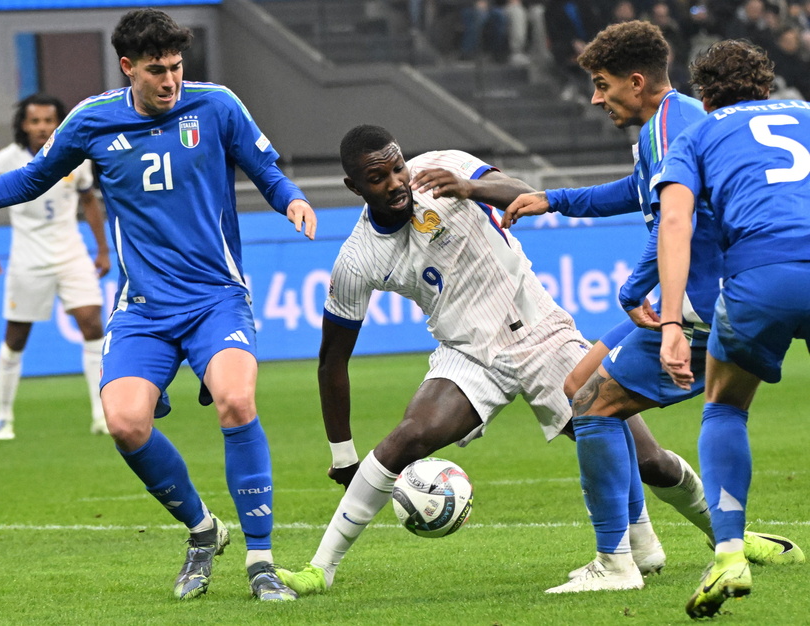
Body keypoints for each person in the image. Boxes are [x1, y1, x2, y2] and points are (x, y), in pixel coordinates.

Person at [0, 8, 317, 603]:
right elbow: (31, 180)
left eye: (178, 68)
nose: (171, 82)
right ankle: (204, 531)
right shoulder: (91, 120)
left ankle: (261, 561)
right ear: (128, 66)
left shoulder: (216, 105)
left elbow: (266, 169)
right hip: (144, 309)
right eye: (157, 70)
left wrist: (293, 199)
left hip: (215, 298)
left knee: (236, 399)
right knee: (125, 421)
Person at [273, 123, 669, 596]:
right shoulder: (357, 259)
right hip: (468, 354)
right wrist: (343, 456)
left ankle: (727, 537)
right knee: (409, 436)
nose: (396, 182)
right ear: (353, 187)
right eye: (378, 178)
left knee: (648, 459)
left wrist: (472, 187)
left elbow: (523, 196)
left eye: (397, 167)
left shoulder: (447, 169)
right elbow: (331, 360)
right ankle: (321, 569)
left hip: (541, 333)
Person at [500, 20, 804, 593]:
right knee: (578, 385)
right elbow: (639, 192)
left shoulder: (682, 125)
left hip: (705, 297)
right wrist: (555, 200)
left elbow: (679, 219)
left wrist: (642, 291)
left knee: (594, 403)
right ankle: (655, 542)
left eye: (602, 83)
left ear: (636, 82)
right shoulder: (671, 125)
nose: (596, 97)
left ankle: (619, 561)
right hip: (721, 286)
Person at [657, 39, 810, 618]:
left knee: (724, 407)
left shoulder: (696, 134)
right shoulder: (807, 115)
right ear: (767, 87)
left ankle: (728, 554)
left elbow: (675, 221)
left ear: (703, 94)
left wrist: (671, 321)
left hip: (760, 276)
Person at [0, 93, 110, 440]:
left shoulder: (74, 155)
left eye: (49, 121)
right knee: (16, 337)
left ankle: (101, 415)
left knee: (93, 324)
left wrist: (103, 249)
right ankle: (3, 416)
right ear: (23, 124)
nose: (42, 127)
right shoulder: (7, 159)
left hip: (71, 254)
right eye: (35, 121)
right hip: (27, 259)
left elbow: (89, 200)